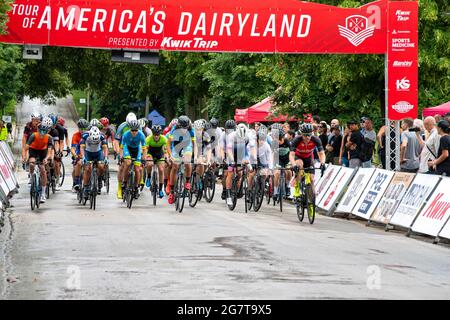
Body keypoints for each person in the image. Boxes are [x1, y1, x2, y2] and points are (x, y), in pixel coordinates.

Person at [289, 123, 325, 198]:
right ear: (301, 134)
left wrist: (323, 163)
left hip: (309, 158)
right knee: (299, 165)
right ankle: (297, 189)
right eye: (305, 135)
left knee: (311, 178)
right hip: (298, 157)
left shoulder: (316, 139)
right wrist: (294, 165)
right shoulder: (297, 140)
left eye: (309, 134)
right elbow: (291, 155)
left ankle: (312, 199)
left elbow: (321, 153)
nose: (307, 137)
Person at [167, 115, 195, 205]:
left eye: (185, 128)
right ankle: (171, 191)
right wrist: (170, 155)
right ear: (178, 125)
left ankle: (187, 181)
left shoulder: (191, 129)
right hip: (176, 145)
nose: (183, 130)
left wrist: (194, 155)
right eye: (181, 128)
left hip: (187, 145)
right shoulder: (174, 129)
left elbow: (194, 144)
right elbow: (168, 144)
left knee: (187, 161)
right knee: (175, 166)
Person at [25, 121, 54, 203]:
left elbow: (49, 151)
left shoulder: (49, 138)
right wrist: (24, 156)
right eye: (40, 130)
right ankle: (31, 177)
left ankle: (43, 194)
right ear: (38, 130)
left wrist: (46, 158)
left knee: (43, 170)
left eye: (44, 131)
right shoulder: (33, 135)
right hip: (33, 149)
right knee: (32, 163)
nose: (42, 133)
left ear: (47, 131)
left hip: (42, 151)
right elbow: (26, 147)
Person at [120, 119, 147, 198]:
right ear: (130, 129)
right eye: (132, 130)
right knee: (127, 163)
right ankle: (124, 182)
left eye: (136, 130)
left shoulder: (141, 135)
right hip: (127, 149)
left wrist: (144, 158)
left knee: (137, 169)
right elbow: (121, 147)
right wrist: (121, 156)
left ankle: (136, 187)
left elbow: (144, 149)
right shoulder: (125, 134)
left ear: (138, 129)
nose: (134, 132)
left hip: (137, 150)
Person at [79, 126, 108, 197]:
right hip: (88, 152)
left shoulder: (102, 136)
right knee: (87, 169)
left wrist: (106, 157)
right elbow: (82, 147)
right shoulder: (85, 135)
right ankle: (86, 187)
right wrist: (83, 157)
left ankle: (99, 179)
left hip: (98, 152)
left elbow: (105, 148)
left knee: (101, 166)